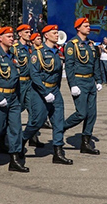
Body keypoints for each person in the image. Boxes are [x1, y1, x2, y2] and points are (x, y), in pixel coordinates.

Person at [0, 26, 29, 172]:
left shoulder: (13, 56)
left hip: (13, 97)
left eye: (12, 36)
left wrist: (18, 97)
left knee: (15, 128)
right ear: (0, 38)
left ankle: (14, 160)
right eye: (8, 36)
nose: (12, 38)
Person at [23, 25, 73, 165]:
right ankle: (20, 142)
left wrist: (55, 91)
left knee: (58, 122)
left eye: (57, 32)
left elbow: (57, 75)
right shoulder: (38, 53)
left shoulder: (57, 52)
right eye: (54, 33)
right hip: (40, 91)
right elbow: (34, 74)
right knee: (36, 122)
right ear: (46, 35)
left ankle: (58, 152)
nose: (57, 35)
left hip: (54, 91)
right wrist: (45, 92)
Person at [63, 18, 104, 154]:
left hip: (90, 81)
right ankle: (60, 128)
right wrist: (72, 85)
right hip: (79, 81)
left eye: (89, 26)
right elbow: (69, 66)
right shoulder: (71, 45)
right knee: (81, 113)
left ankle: (85, 143)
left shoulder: (91, 45)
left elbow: (95, 64)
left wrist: (98, 80)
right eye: (85, 26)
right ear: (78, 28)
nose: (89, 28)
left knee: (92, 114)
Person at [14, 24, 42, 148]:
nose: (29, 34)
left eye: (30, 32)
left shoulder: (31, 48)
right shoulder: (15, 48)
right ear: (20, 34)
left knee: (34, 111)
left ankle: (32, 137)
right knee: (15, 111)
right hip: (19, 83)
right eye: (26, 32)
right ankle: (6, 139)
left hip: (30, 83)